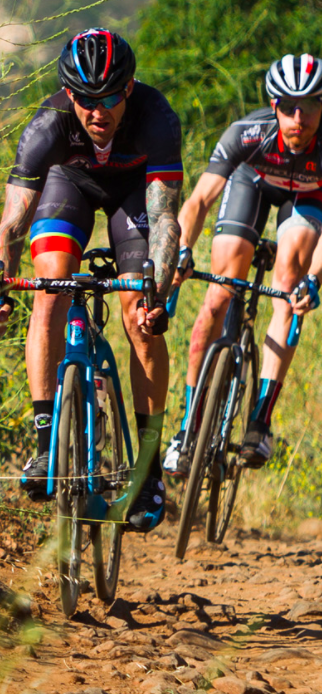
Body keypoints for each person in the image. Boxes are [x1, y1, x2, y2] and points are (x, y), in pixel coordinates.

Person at [0, 28, 183, 530]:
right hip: (68, 185)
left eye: (110, 96)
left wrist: (156, 289)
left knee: (139, 317)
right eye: (86, 99)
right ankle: (46, 441)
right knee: (48, 289)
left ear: (129, 88)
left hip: (134, 196)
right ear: (69, 94)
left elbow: (165, 220)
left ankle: (149, 467)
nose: (98, 111)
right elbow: (9, 225)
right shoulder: (48, 125)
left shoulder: (156, 119)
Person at [164, 54, 322, 476]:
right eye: (288, 105)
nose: (298, 117)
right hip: (251, 181)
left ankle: (260, 422)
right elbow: (199, 201)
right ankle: (188, 428)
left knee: (289, 284)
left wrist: (314, 279)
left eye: (309, 106)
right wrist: (181, 250)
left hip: (306, 198)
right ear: (274, 106)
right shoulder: (248, 133)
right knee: (219, 293)